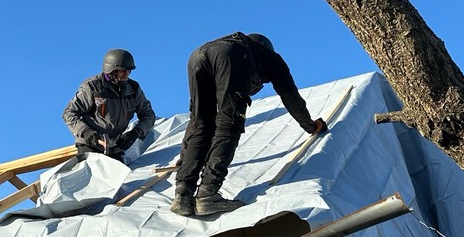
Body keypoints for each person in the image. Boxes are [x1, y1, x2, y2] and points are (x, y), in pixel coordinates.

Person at [171, 32, 326, 217]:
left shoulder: (233, 45)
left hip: (197, 55)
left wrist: (184, 157)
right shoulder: (270, 58)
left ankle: (182, 194)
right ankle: (207, 193)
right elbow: (290, 96)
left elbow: (195, 125)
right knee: (229, 123)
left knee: (202, 122)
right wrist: (310, 125)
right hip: (229, 56)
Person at [63, 48, 156, 164]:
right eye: (123, 71)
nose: (127, 74)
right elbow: (69, 113)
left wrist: (135, 133)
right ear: (112, 70)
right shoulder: (93, 87)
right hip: (90, 145)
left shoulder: (133, 89)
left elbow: (148, 114)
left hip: (114, 146)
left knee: (120, 179)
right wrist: (88, 133)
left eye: (129, 71)